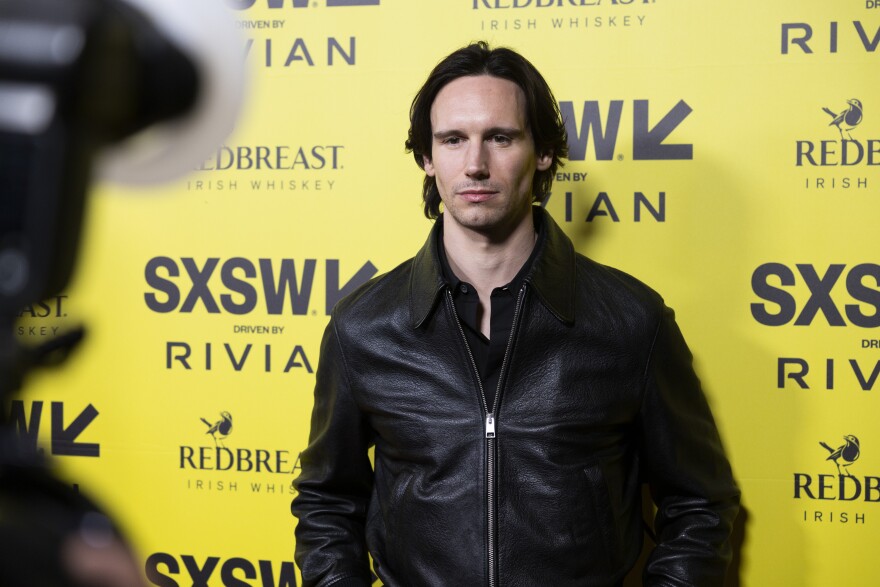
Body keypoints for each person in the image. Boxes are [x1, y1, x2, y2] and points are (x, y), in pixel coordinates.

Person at [291, 41, 740, 587]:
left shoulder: (631, 323)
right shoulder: (363, 328)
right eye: (453, 140)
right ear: (428, 159)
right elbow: (326, 502)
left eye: (500, 137)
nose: (475, 164)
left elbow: (700, 503)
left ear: (543, 152)